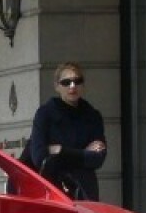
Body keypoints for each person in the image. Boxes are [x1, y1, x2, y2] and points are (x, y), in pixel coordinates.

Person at [26, 61, 107, 201]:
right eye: (66, 82)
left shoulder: (92, 116)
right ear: (57, 86)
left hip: (84, 190)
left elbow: (98, 159)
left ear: (83, 85)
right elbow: (39, 157)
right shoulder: (45, 114)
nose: (72, 86)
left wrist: (61, 151)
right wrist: (83, 154)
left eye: (77, 81)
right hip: (52, 190)